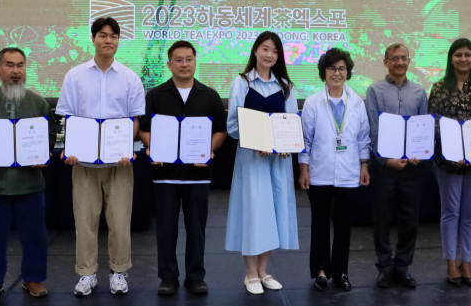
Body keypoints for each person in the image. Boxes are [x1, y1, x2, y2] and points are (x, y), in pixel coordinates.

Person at [56, 17, 145, 296]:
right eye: (103, 35)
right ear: (93, 39)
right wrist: (72, 148)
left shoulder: (131, 77)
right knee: (85, 221)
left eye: (114, 36)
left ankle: (119, 272)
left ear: (118, 41)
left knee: (120, 221)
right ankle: (87, 274)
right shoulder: (75, 75)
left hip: (119, 163)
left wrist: (126, 147)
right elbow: (68, 117)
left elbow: (134, 120)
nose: (108, 40)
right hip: (82, 163)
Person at [0, 47, 57, 303]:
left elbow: (48, 137)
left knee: (35, 235)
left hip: (30, 184)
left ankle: (33, 278)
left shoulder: (38, 103)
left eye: (20, 65)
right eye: (9, 65)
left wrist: (42, 153)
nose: (16, 71)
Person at [139, 41, 227, 296]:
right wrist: (152, 147)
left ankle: (195, 276)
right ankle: (168, 278)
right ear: (169, 64)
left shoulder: (209, 95)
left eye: (189, 59)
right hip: (164, 175)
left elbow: (220, 131)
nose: (185, 64)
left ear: (195, 61)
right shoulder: (155, 95)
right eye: (179, 59)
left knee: (197, 231)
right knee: (165, 230)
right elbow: (145, 130)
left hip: (198, 175)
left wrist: (209, 150)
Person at [225, 31, 299, 294]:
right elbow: (233, 125)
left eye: (275, 51)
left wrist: (285, 144)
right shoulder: (242, 82)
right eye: (265, 49)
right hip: (251, 160)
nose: (269, 55)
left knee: (275, 212)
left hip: (277, 162)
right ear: (255, 51)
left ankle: (264, 270)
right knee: (253, 212)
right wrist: (256, 142)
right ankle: (250, 274)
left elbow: (291, 124)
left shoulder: (285, 86)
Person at [298, 48, 371, 292]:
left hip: (349, 173)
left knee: (343, 225)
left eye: (341, 68)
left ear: (347, 72)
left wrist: (364, 165)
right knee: (320, 224)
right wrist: (304, 169)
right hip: (319, 173)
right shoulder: (312, 103)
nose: (337, 73)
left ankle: (340, 272)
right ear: (324, 73)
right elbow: (305, 140)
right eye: (332, 68)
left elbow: (363, 138)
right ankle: (320, 271)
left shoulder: (357, 102)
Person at [428, 38, 471, 288]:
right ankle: (450, 262)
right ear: (451, 58)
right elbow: (433, 123)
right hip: (448, 162)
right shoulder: (438, 88)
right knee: (450, 213)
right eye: (458, 55)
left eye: (468, 54)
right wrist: (452, 147)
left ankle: (466, 262)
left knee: (470, 215)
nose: (463, 59)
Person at [366, 42, 428, 289]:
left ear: (409, 61)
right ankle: (384, 267)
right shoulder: (375, 90)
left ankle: (402, 266)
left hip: (412, 166)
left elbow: (423, 128)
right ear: (385, 62)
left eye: (404, 58)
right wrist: (385, 159)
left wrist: (419, 153)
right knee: (382, 218)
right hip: (384, 165)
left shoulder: (420, 92)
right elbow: (373, 129)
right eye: (394, 58)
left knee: (410, 218)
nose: (400, 62)